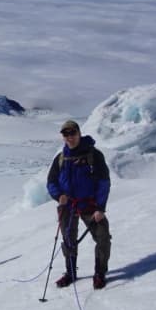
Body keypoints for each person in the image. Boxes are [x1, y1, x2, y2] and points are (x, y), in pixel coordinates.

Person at [46, 120, 112, 290]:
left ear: (79, 133)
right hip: (67, 206)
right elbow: (51, 181)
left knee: (103, 237)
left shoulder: (94, 155)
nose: (69, 137)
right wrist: (58, 195)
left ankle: (99, 273)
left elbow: (104, 182)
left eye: (72, 133)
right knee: (68, 240)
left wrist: (100, 207)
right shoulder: (61, 158)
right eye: (65, 134)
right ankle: (71, 272)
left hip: (90, 205)